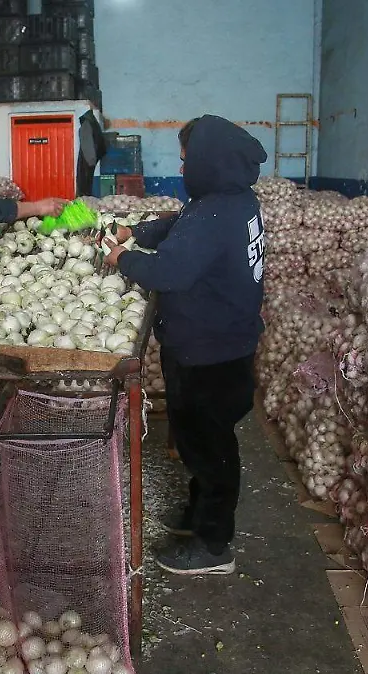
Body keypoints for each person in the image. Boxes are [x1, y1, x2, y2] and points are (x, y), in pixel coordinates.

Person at [102, 115, 267, 576]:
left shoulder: (215, 213)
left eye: (186, 158)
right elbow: (182, 226)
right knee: (203, 444)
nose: (180, 166)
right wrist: (138, 232)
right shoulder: (233, 201)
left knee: (211, 451)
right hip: (225, 344)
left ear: (208, 161)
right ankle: (199, 516)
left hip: (209, 354)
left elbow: (168, 272)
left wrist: (123, 257)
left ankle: (214, 546)